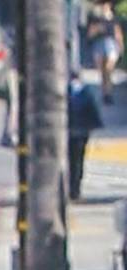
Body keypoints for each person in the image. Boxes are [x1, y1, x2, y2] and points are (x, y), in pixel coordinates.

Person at [68, 72, 105, 201]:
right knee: (78, 161)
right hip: (81, 133)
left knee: (74, 161)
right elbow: (93, 112)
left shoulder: (71, 91)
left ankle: (74, 190)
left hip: (75, 133)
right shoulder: (86, 92)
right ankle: (75, 190)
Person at [87, 0, 124, 104]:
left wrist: (121, 46)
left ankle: (109, 92)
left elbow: (118, 33)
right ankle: (105, 93)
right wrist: (97, 29)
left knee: (108, 69)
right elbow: (90, 34)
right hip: (99, 43)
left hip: (111, 44)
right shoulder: (96, 19)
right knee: (102, 72)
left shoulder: (114, 19)